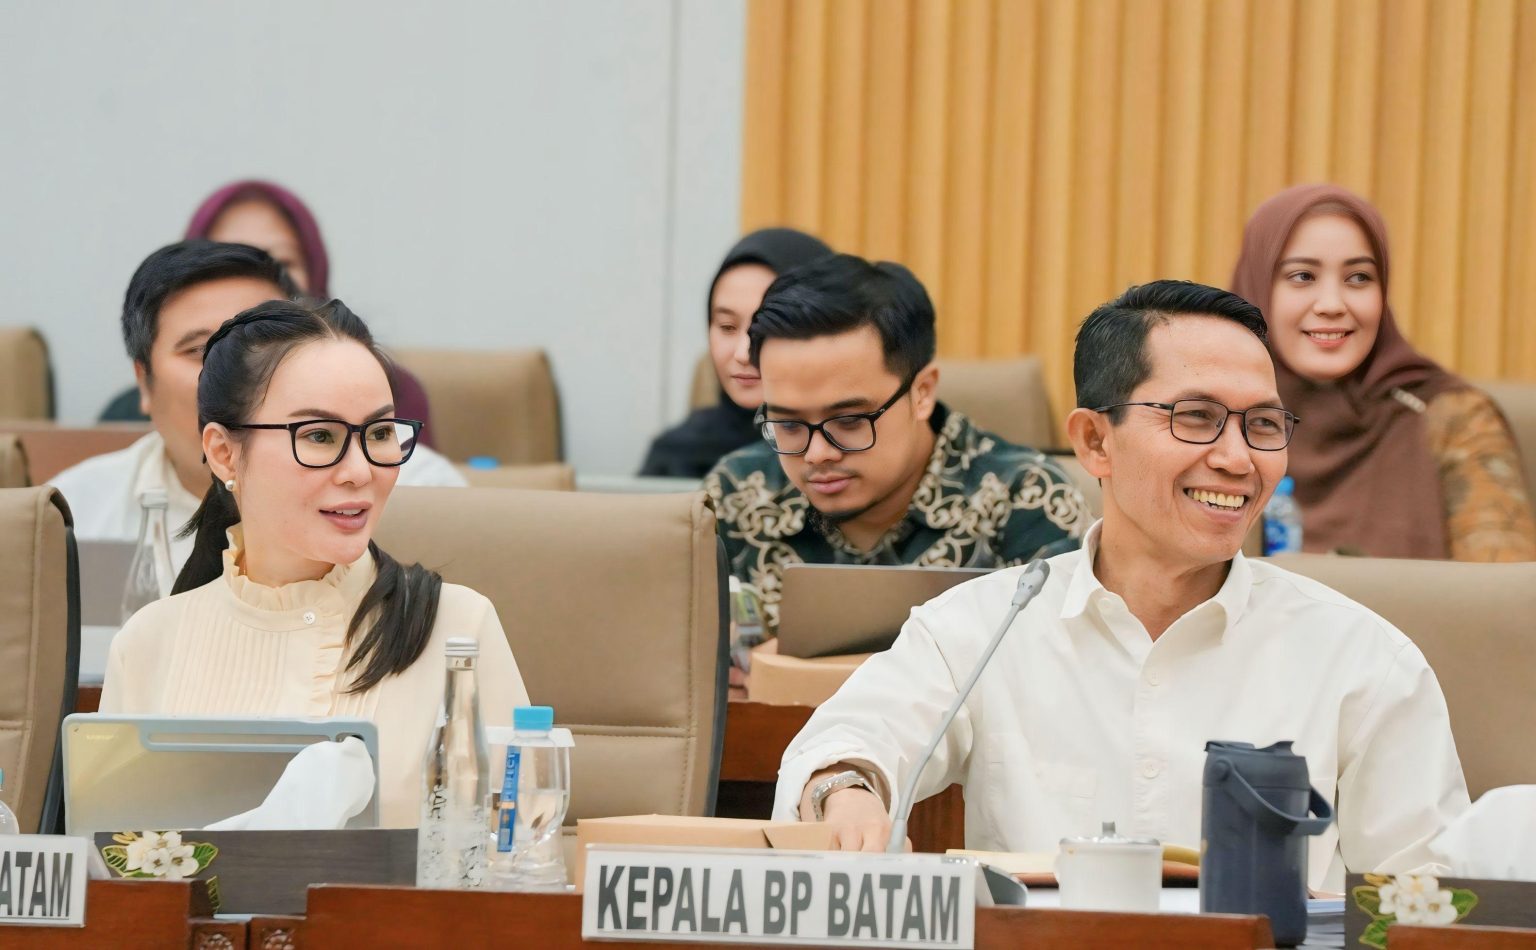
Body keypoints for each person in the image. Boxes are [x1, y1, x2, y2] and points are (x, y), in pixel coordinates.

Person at [773, 280, 1468, 893]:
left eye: (1261, 425)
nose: (1236, 459)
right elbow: (849, 739)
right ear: (1095, 442)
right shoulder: (988, 625)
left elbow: (1430, 897)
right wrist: (846, 793)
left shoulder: (1363, 658)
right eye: (1195, 418)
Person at [99, 300, 527, 827]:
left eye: (378, 434)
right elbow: (118, 869)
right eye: (320, 436)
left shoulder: (459, 629)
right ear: (225, 453)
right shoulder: (147, 645)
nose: (359, 471)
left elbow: (519, 856)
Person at [704, 253, 1088, 632]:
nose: (817, 454)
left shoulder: (1023, 498)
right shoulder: (736, 494)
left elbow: (1054, 676)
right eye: (788, 424)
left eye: (850, 421)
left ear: (922, 393)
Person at [52, 241, 465, 572]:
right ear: (144, 381)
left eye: (259, 350)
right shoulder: (77, 510)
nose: (231, 374)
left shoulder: (431, 494)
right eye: (201, 351)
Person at [1231, 183, 1536, 560]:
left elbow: (1504, 598)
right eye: (1303, 277)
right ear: (1257, 288)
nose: (1331, 304)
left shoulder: (1452, 418)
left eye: (1358, 278)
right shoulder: (1209, 420)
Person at [100, 180, 435, 437]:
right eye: (203, 349)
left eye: (282, 261)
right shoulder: (86, 504)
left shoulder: (408, 470)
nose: (233, 365)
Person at [640, 227, 833, 478]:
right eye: (727, 327)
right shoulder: (675, 454)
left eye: (766, 326)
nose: (743, 353)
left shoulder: (850, 449)